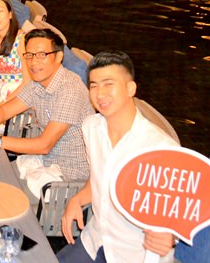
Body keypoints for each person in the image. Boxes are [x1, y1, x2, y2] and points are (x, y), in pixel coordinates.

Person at [56, 51, 179, 263]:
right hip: (95, 240)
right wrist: (77, 199)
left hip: (136, 253)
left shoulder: (161, 148)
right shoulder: (91, 127)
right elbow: (98, 181)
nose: (99, 94)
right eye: (94, 85)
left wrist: (171, 236)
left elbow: (178, 210)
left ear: (130, 88)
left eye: (108, 84)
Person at [0, 28, 92, 185]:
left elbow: (44, 145)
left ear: (59, 56)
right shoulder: (36, 83)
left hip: (67, 176)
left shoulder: (70, 90)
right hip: (43, 161)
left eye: (42, 55)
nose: (33, 62)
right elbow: (3, 112)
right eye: (29, 56)